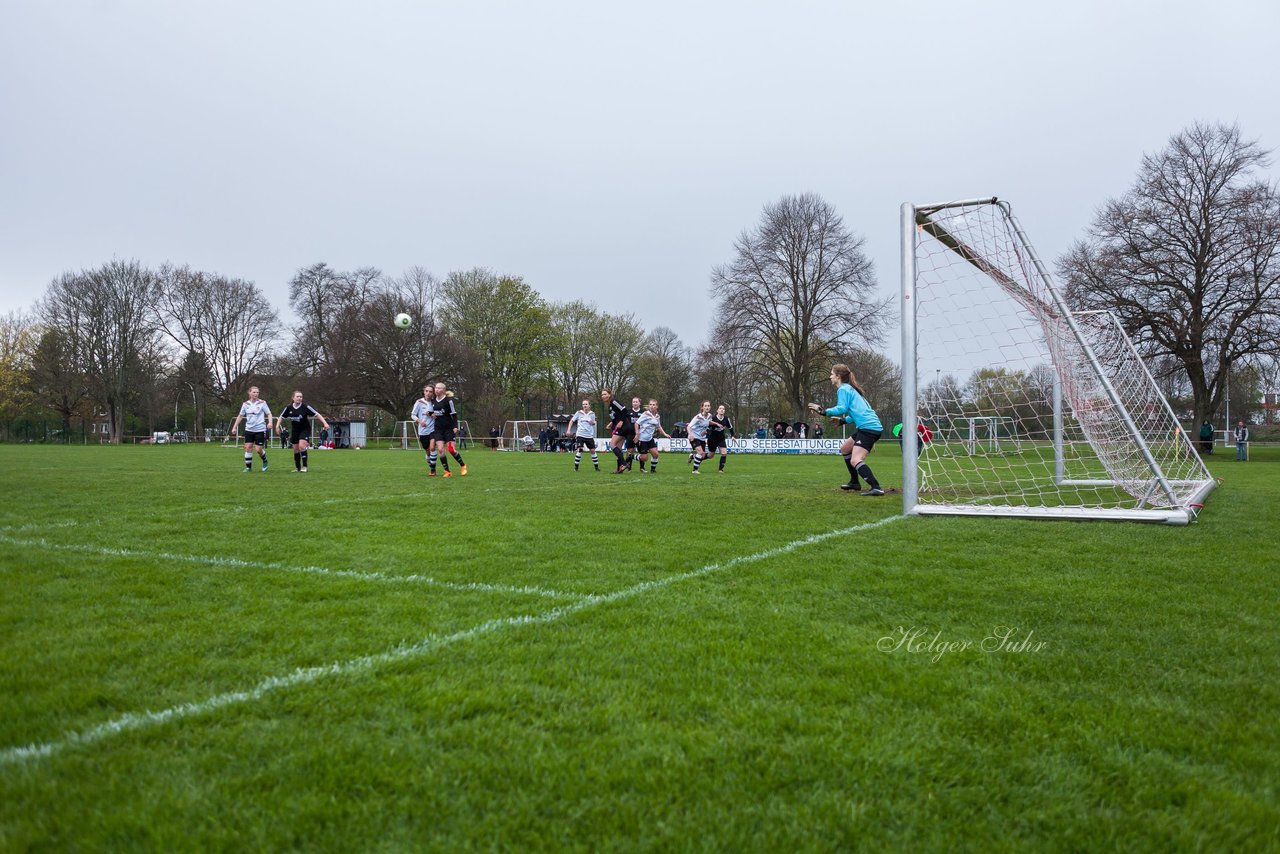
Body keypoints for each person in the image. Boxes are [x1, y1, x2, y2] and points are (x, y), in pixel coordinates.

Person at [809, 363, 885, 496]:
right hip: (867, 427)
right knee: (845, 449)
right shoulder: (850, 389)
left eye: (832, 374)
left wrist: (823, 411)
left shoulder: (843, 389)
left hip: (869, 429)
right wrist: (843, 421)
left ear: (838, 376)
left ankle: (876, 487)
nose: (830, 376)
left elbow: (841, 408)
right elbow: (858, 413)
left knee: (855, 460)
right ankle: (855, 483)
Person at [274, 390, 331, 473]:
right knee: (296, 450)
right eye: (297, 396)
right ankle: (297, 468)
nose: (299, 398)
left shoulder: (305, 407)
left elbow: (317, 414)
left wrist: (325, 423)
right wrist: (277, 426)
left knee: (302, 446)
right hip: (295, 431)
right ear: (293, 398)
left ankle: (304, 467)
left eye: (301, 397)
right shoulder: (289, 408)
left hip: (305, 429)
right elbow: (281, 417)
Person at [230, 386, 273, 473]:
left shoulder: (262, 403)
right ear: (249, 393)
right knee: (248, 448)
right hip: (249, 429)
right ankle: (248, 468)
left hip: (260, 430)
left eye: (257, 392)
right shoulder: (245, 404)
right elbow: (240, 416)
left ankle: (265, 461)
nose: (256, 394)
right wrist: (234, 427)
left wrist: (270, 422)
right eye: (254, 392)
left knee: (258, 450)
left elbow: (269, 413)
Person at [431, 382, 467, 476]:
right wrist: (431, 414)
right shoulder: (433, 400)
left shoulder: (448, 401)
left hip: (448, 429)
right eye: (436, 388)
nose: (436, 390)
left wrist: (455, 426)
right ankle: (447, 471)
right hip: (438, 429)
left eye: (439, 388)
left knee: (451, 449)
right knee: (441, 450)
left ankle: (463, 465)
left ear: (443, 390)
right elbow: (431, 411)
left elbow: (454, 414)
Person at [634, 399, 672, 473]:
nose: (652, 406)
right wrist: (637, 434)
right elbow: (636, 423)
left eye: (654, 405)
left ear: (656, 406)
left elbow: (658, 426)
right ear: (648, 406)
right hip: (642, 439)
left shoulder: (657, 416)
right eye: (650, 404)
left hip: (649, 439)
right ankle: (631, 456)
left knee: (655, 454)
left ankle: (653, 470)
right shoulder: (645, 414)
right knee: (644, 458)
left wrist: (665, 434)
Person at [601, 389, 633, 473]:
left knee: (612, 444)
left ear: (609, 394)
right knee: (618, 448)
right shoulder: (610, 405)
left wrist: (621, 421)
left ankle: (624, 463)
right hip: (623, 427)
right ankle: (619, 469)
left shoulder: (614, 402)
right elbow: (617, 416)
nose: (603, 396)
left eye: (605, 394)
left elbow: (624, 410)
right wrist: (611, 423)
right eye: (602, 395)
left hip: (624, 426)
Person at [411, 385, 439, 475]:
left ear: (433, 393)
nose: (428, 393)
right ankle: (429, 460)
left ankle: (433, 470)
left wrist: (433, 414)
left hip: (433, 429)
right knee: (428, 451)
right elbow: (413, 415)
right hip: (423, 431)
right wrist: (420, 421)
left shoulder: (435, 402)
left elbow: (439, 413)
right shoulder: (419, 402)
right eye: (426, 391)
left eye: (430, 391)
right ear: (424, 392)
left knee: (432, 448)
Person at [566, 399, 600, 472]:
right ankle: (576, 467)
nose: (584, 406)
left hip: (589, 435)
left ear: (589, 405)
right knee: (580, 449)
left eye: (586, 404)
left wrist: (590, 421)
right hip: (580, 435)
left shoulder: (592, 414)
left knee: (593, 450)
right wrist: (568, 430)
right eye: (583, 404)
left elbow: (593, 423)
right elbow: (572, 420)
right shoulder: (578, 413)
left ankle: (596, 468)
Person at [687, 400, 713, 474]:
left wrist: (706, 431)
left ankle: (693, 456)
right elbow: (688, 427)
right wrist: (690, 434)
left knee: (703, 455)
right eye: (705, 406)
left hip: (702, 438)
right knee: (701, 453)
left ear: (710, 407)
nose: (707, 407)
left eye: (708, 406)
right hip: (694, 437)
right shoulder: (698, 417)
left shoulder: (710, 416)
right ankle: (694, 470)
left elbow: (708, 424)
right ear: (702, 407)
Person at [707, 404, 735, 473]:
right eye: (720, 408)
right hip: (712, 439)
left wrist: (733, 436)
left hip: (721, 439)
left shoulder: (726, 419)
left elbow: (730, 428)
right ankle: (696, 457)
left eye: (723, 409)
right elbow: (707, 428)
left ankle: (720, 470)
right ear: (717, 410)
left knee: (724, 453)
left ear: (724, 411)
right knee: (710, 456)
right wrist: (706, 437)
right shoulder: (713, 418)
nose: (722, 410)